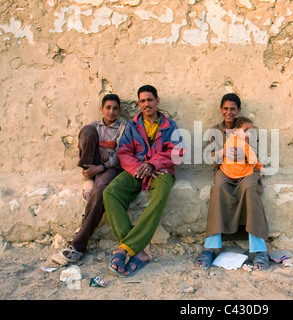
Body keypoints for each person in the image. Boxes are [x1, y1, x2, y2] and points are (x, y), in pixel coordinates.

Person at [103, 85, 185, 277]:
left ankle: (125, 249)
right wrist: (139, 167)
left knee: (159, 197)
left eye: (150, 100)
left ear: (157, 101)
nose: (146, 104)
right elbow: (123, 152)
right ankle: (137, 251)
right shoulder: (132, 126)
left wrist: (153, 164)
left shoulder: (169, 125)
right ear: (139, 104)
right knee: (110, 192)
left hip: (162, 171)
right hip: (136, 170)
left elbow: (177, 151)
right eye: (142, 101)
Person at [195, 93, 270, 271]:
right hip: (225, 171)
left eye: (233, 109)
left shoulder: (249, 128)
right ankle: (210, 247)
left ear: (239, 110)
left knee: (250, 188)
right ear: (221, 109)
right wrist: (221, 154)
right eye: (226, 109)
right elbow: (210, 158)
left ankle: (260, 250)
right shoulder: (215, 130)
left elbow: (255, 154)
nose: (229, 113)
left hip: (246, 170)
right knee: (218, 187)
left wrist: (244, 153)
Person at [57, 94, 126, 263]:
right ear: (101, 109)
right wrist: (99, 149)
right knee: (87, 131)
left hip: (109, 167)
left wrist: (103, 165)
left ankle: (78, 244)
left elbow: (121, 153)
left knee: (100, 191)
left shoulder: (123, 126)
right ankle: (88, 177)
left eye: (115, 108)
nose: (111, 111)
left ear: (119, 111)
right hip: (92, 163)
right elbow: (85, 144)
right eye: (108, 107)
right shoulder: (94, 127)